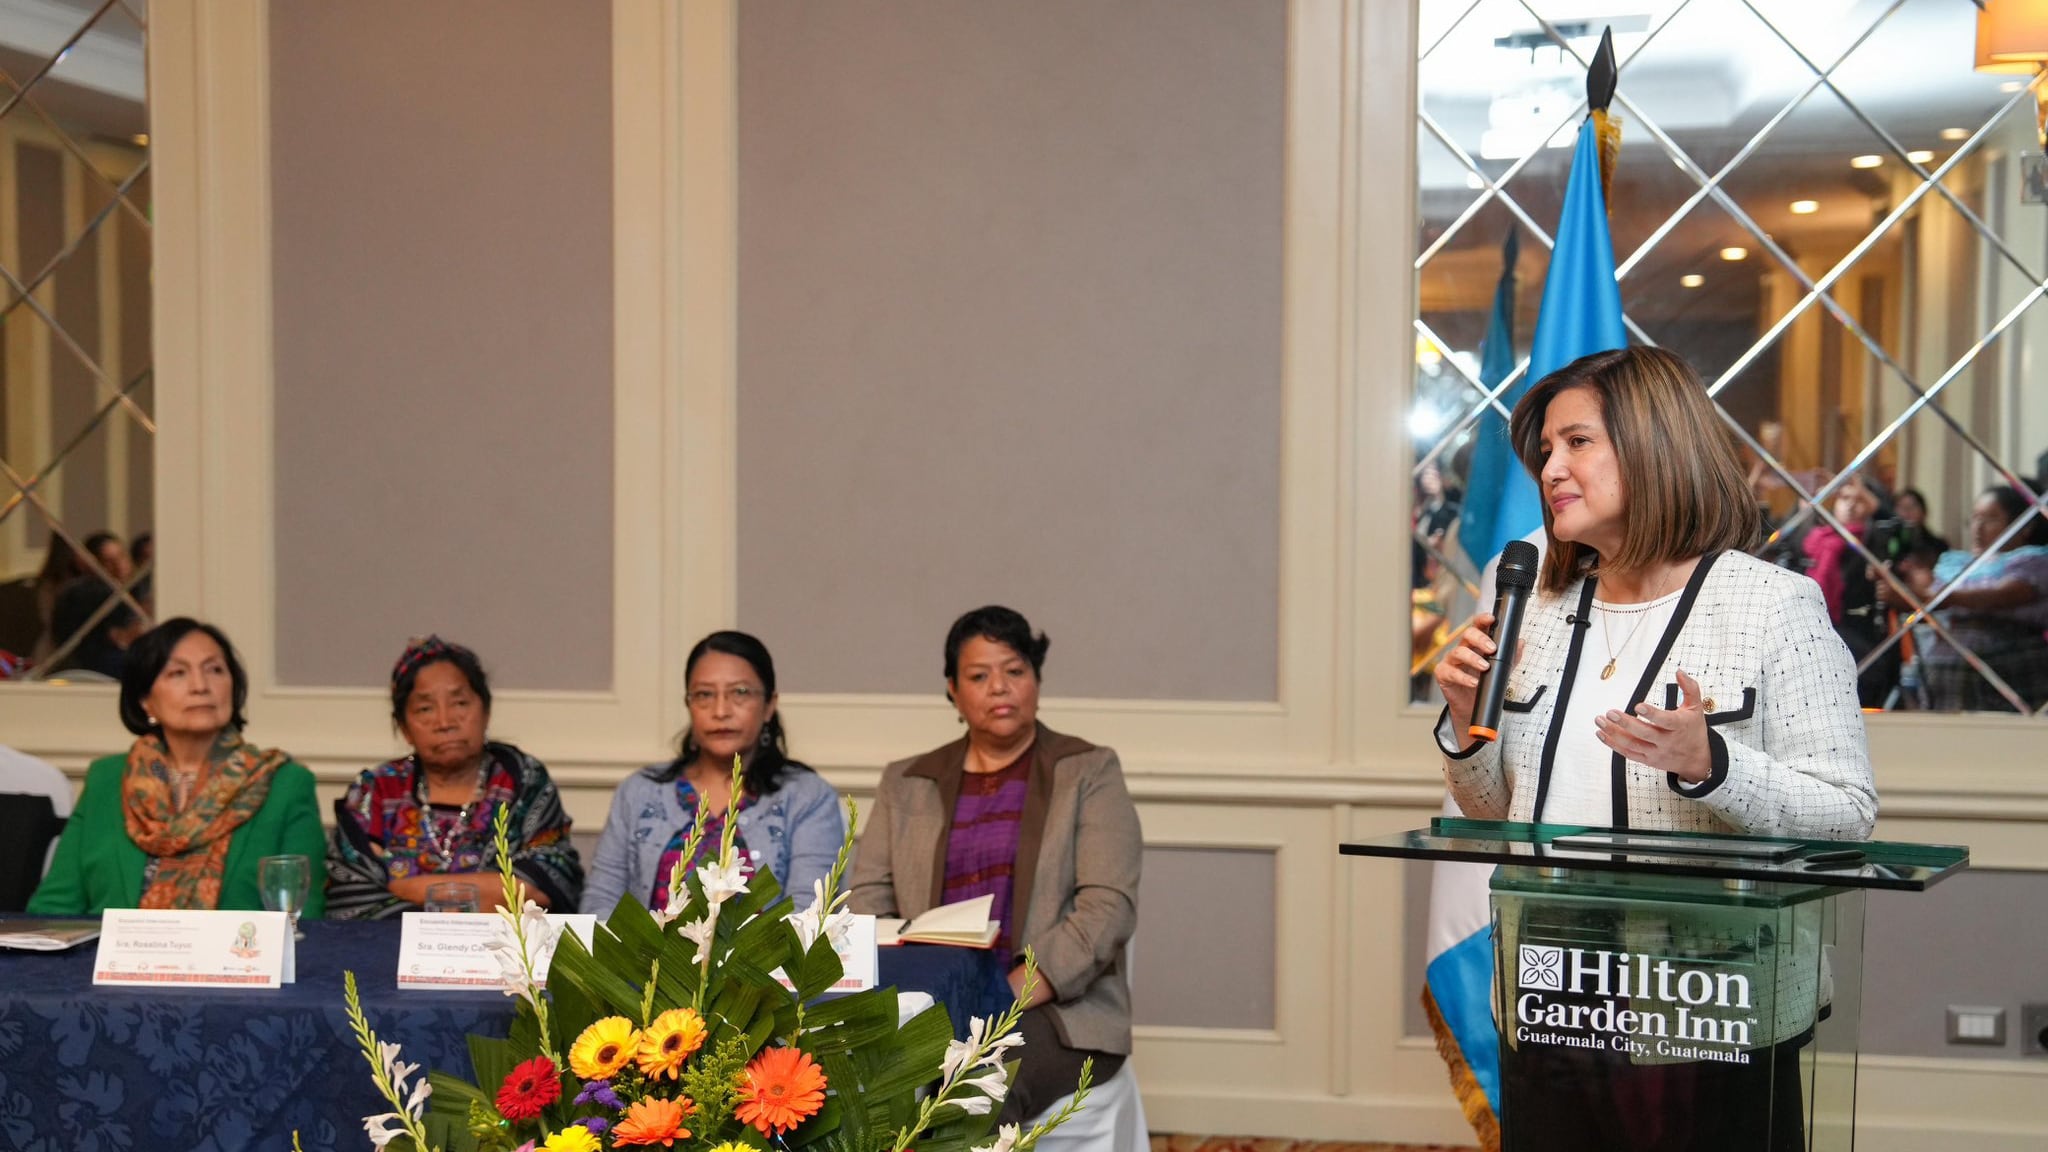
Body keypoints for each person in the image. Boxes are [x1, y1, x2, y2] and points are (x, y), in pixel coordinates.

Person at [1432, 347, 1876, 1152]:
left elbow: (1845, 816)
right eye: (1544, 453)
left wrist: (1715, 766)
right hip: (1555, 987)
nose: (1551, 470)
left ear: (1654, 444)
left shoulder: (1772, 605)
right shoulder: (1532, 599)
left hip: (1712, 1000)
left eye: (1576, 443)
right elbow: (1496, 810)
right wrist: (1467, 726)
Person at [849, 606, 1141, 1127]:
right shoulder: (906, 781)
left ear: (1036, 679)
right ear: (953, 692)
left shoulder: (1088, 771)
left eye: (1014, 670)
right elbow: (869, 901)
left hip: (1053, 1012)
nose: (999, 687)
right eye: (979, 676)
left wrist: (1003, 994)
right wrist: (927, 1000)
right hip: (928, 1001)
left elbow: (1107, 909)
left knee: (977, 1085)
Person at [27, 618, 326, 915]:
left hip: (236, 960)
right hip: (106, 962)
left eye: (215, 670)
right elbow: (54, 909)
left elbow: (302, 919)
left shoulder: (284, 783)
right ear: (146, 701)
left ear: (232, 689)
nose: (200, 686)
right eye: (178, 673)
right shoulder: (108, 779)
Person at [582, 630, 845, 916]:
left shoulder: (807, 796)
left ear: (769, 705)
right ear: (689, 705)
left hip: (770, 961)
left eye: (740, 693)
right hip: (644, 961)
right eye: (705, 695)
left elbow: (809, 914)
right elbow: (600, 903)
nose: (720, 710)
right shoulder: (639, 791)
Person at [326, 636, 583, 918]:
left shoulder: (521, 779)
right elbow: (350, 900)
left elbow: (538, 891)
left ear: (485, 711)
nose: (445, 722)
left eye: (460, 703)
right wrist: (487, 891)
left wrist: (396, 887)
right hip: (390, 956)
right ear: (404, 727)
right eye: (425, 709)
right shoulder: (378, 789)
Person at [1879, 485, 2048, 712]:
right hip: (1942, 678)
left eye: (1990, 519)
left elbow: (2000, 596)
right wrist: (1902, 587)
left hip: (2004, 673)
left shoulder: (2033, 561)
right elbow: (1929, 602)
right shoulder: (1956, 563)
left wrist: (1927, 598)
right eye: (1975, 518)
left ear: (2023, 527)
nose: (1978, 528)